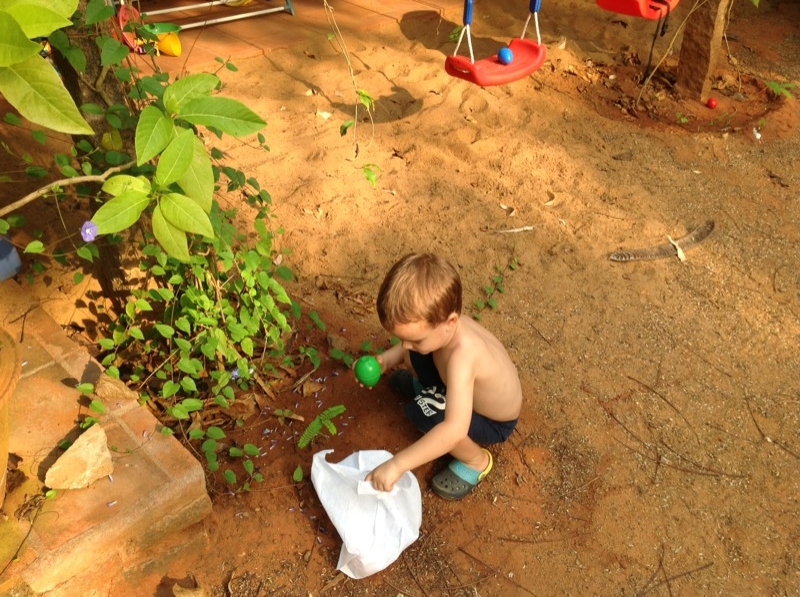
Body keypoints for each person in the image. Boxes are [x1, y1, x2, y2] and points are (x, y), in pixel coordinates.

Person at [363, 253, 522, 500]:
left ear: (450, 321)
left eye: (414, 339)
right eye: (402, 338)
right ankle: (428, 387)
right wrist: (385, 361)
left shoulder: (463, 356)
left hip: (491, 421)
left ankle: (475, 461)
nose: (404, 345)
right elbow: (410, 347)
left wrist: (397, 464)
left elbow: (454, 430)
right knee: (416, 354)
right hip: (459, 386)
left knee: (429, 411)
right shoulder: (444, 327)